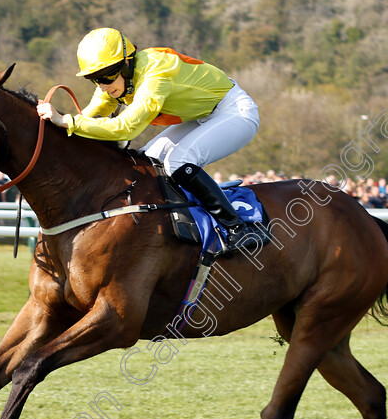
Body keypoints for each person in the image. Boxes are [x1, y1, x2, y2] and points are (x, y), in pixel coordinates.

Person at [37, 27, 261, 253]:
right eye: (94, 79)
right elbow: (88, 116)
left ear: (127, 63)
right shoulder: (114, 79)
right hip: (201, 115)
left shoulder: (156, 72)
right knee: (147, 162)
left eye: (107, 75)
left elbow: (125, 129)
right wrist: (55, 127)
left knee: (178, 162)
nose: (103, 85)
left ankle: (239, 228)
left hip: (234, 111)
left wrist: (67, 121)